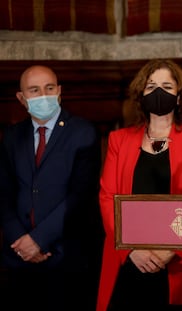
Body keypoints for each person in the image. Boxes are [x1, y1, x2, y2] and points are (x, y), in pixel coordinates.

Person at [97, 59, 182, 311]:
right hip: (128, 259)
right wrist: (129, 249)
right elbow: (108, 198)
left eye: (166, 86)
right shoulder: (119, 139)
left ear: (179, 94)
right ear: (141, 94)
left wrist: (173, 249)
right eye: (151, 86)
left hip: (178, 261)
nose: (158, 92)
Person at [0, 65, 104, 310]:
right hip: (20, 258)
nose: (43, 95)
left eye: (49, 88)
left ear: (59, 91)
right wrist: (21, 241)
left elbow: (80, 196)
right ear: (21, 98)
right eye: (34, 90)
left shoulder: (83, 132)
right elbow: (4, 194)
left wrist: (38, 240)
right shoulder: (13, 136)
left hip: (67, 258)